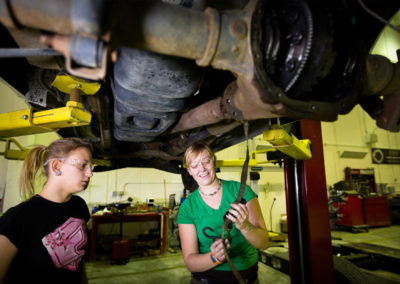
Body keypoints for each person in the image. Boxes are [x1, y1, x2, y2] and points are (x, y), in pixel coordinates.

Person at [0, 137, 94, 284]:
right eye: (83, 166)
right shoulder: (18, 218)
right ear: (56, 166)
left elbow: (76, 260)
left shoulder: (79, 206)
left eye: (90, 167)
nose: (90, 174)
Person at [177, 141, 269, 284]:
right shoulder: (187, 207)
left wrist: (245, 227)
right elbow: (190, 261)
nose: (202, 169)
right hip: (206, 279)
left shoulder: (241, 191)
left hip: (245, 278)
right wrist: (214, 257)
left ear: (214, 161)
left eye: (206, 161)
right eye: (194, 165)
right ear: (189, 171)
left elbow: (264, 243)